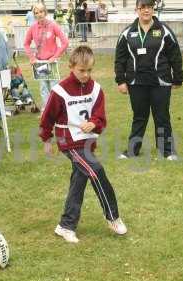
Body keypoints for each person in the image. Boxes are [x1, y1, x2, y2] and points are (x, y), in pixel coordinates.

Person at [39, 46, 127, 243]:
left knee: (79, 179)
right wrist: (46, 139)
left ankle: (65, 225)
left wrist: (94, 122)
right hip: (67, 141)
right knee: (96, 170)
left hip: (87, 141)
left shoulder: (96, 89)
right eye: (81, 70)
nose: (86, 75)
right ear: (71, 66)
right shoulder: (59, 91)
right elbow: (47, 117)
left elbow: (100, 116)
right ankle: (112, 217)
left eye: (89, 70)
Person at [114, 0, 183, 160]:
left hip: (160, 81)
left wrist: (178, 78)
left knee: (162, 116)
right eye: (143, 7)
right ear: (137, 10)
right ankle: (133, 150)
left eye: (150, 7)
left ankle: (167, 151)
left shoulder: (164, 31)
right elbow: (120, 59)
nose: (146, 10)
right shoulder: (127, 33)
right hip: (136, 82)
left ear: (153, 9)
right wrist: (121, 80)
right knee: (139, 117)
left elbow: (175, 55)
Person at [24, 3, 69, 113]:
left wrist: (55, 56)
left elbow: (65, 42)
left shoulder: (53, 25)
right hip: (39, 62)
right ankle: (48, 111)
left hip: (51, 62)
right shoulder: (33, 28)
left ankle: (58, 110)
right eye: (36, 12)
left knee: (55, 87)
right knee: (43, 88)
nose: (38, 14)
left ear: (45, 12)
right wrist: (31, 58)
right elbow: (26, 44)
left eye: (40, 11)